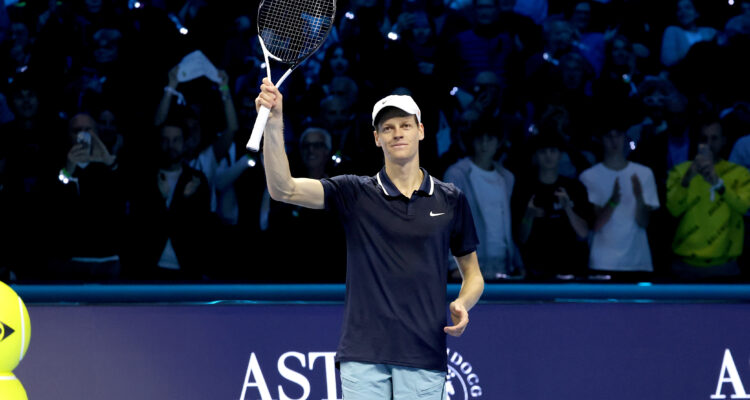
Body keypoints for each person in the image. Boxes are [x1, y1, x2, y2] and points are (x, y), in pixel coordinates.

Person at [256, 78, 484, 399]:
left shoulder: (450, 199)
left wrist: (463, 302)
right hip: (363, 355)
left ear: (421, 130)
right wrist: (274, 122)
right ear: (377, 138)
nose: (397, 133)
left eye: (405, 124)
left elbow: (473, 275)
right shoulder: (354, 191)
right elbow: (284, 188)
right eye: (388, 128)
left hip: (424, 354)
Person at [666, 114, 750, 281]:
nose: (709, 144)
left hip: (726, 266)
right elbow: (673, 210)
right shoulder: (680, 171)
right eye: (704, 138)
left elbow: (745, 207)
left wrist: (718, 184)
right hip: (685, 266)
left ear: (724, 140)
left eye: (714, 138)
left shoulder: (740, 174)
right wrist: (688, 178)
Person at [579, 120, 660, 281]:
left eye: (618, 135)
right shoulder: (588, 177)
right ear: (601, 139)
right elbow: (594, 225)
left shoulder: (644, 174)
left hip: (638, 261)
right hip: (602, 261)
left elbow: (643, 222)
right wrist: (613, 201)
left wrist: (639, 197)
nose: (614, 141)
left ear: (625, 138)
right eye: (609, 136)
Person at [443, 115, 522, 280]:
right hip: (469, 263)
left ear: (498, 142)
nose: (484, 145)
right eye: (480, 139)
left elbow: (506, 223)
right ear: (473, 141)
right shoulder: (457, 174)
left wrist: (517, 263)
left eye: (490, 139)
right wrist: (453, 264)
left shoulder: (506, 177)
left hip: (503, 261)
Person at [511, 132, 592, 280]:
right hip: (535, 270)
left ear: (560, 155)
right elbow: (521, 238)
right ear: (535, 155)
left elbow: (584, 233)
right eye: (543, 152)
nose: (548, 156)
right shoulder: (523, 188)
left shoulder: (575, 188)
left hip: (571, 268)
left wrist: (568, 208)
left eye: (553, 151)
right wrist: (529, 214)